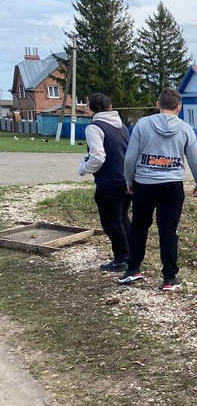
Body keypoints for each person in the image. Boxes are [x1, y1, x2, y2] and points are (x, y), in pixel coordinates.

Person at [118, 89, 197, 291]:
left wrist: (129, 179)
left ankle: (133, 269)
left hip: (144, 183)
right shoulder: (185, 129)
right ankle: (169, 278)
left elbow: (130, 157)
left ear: (158, 104)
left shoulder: (143, 124)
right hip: (172, 185)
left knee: (139, 226)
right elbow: (196, 161)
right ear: (179, 107)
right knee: (168, 230)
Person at [78, 92, 131, 272]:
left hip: (109, 181)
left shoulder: (94, 127)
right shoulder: (122, 126)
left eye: (87, 104)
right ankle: (132, 254)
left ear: (93, 108)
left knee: (111, 222)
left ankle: (121, 258)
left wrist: (84, 168)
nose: (85, 107)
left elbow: (98, 157)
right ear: (110, 107)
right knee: (122, 217)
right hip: (126, 180)